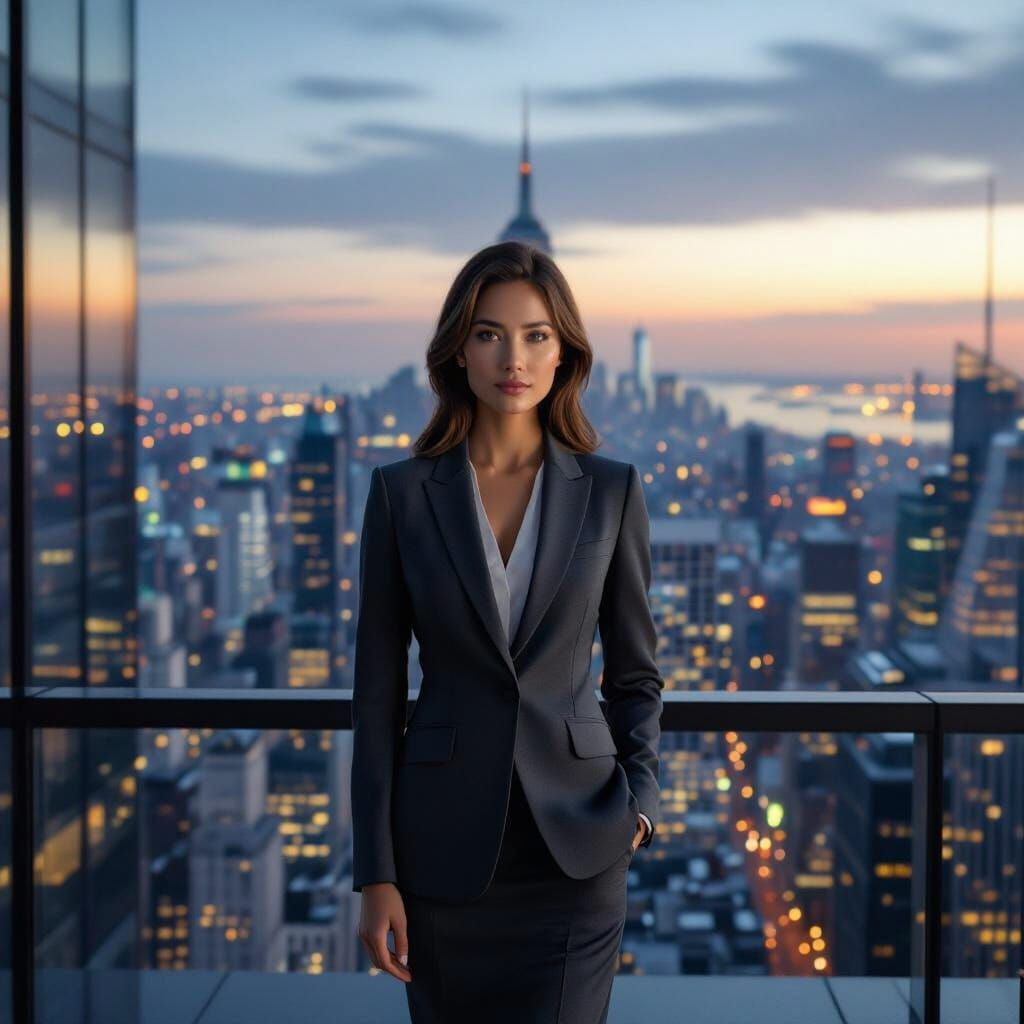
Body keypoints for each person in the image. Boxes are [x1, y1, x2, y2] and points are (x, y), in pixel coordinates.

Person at [351, 240, 664, 1023]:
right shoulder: (401, 495)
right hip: (441, 849)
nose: (513, 357)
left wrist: (642, 806)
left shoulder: (611, 491)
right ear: (459, 348)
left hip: (582, 847)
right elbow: (376, 696)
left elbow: (636, 674)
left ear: (565, 353)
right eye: (490, 333)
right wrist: (376, 874)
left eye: (536, 335)